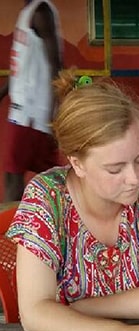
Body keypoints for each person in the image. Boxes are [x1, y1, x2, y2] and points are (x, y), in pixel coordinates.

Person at [6, 70, 139, 331]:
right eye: (115, 169)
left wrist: (78, 308)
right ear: (77, 163)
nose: (134, 178)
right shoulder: (47, 198)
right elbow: (35, 312)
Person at [0, 0, 63, 202]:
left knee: (14, 177)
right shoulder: (27, 12)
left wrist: (56, 111)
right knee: (51, 179)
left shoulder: (40, 11)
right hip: (26, 111)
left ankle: (14, 231)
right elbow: (21, 65)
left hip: (31, 114)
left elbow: (56, 65)